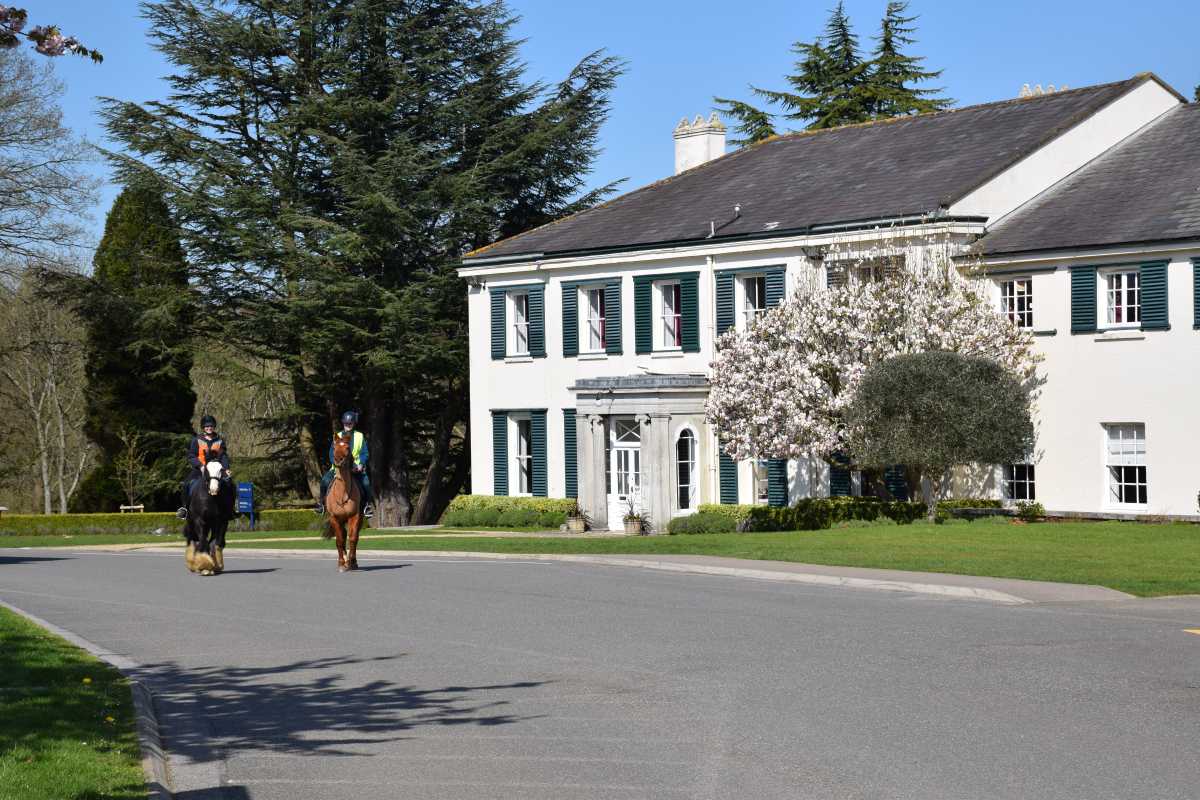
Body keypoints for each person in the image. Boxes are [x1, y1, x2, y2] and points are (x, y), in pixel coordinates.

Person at [317, 410, 373, 518]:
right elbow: (331, 453)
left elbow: (364, 453)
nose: (347, 425)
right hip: (337, 468)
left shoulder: (359, 436)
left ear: (354, 423)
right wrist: (336, 463)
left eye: (350, 423)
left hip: (355, 468)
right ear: (343, 423)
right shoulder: (337, 436)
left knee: (366, 483)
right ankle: (321, 505)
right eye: (346, 423)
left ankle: (367, 506)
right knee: (324, 481)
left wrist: (361, 464)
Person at [177, 414, 230, 519]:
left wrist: (226, 468)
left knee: (229, 483)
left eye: (211, 426)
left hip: (216, 470)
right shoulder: (196, 440)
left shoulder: (219, 440)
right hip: (200, 469)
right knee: (187, 483)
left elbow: (223, 456)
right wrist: (200, 466)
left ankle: (230, 509)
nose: (209, 428)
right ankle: (185, 509)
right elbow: (191, 456)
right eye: (206, 426)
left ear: (214, 427)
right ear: (203, 428)